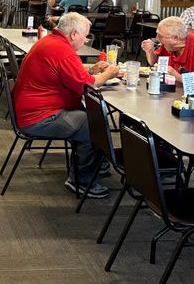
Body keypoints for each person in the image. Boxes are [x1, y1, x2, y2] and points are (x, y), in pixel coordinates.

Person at [12, 12, 119, 197]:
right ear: (74, 34)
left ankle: (98, 165)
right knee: (91, 123)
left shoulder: (52, 42)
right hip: (38, 117)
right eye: (85, 36)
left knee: (89, 116)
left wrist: (92, 69)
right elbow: (86, 85)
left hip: (30, 109)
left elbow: (70, 73)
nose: (86, 40)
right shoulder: (61, 49)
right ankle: (81, 182)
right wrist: (110, 73)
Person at [141, 16, 194, 84]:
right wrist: (149, 51)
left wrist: (179, 77)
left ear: (176, 38)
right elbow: (154, 63)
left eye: (161, 36)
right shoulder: (169, 46)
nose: (157, 39)